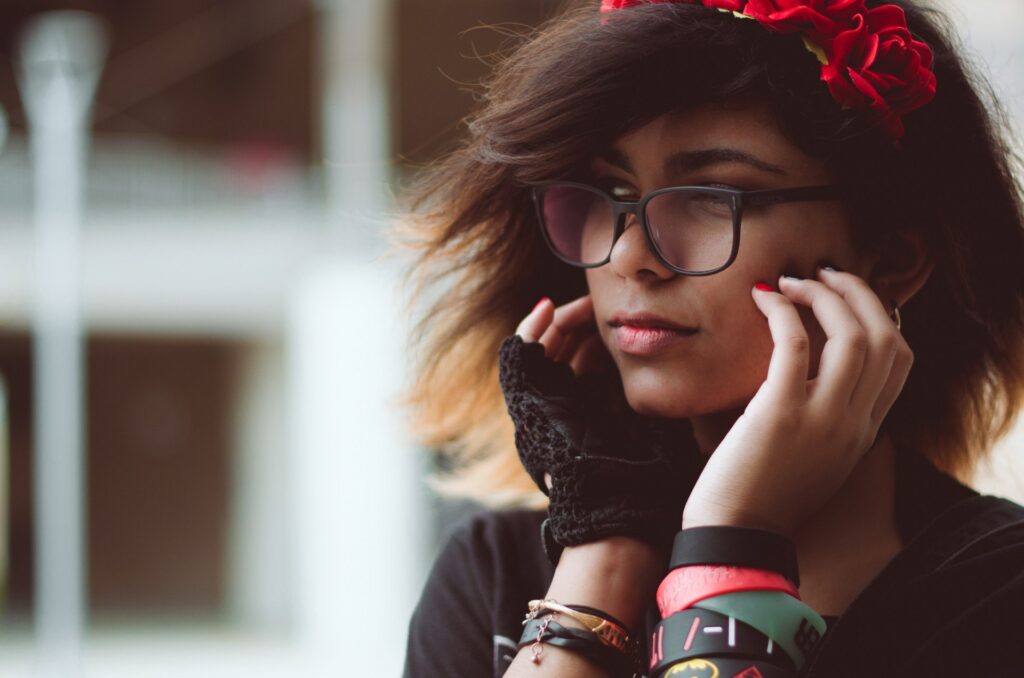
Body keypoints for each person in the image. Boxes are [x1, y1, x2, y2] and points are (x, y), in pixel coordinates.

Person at [393, 1, 1024, 676]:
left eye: (707, 196)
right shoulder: (494, 574)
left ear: (892, 261)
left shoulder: (996, 592)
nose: (629, 256)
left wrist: (733, 540)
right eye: (609, 188)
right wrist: (606, 551)